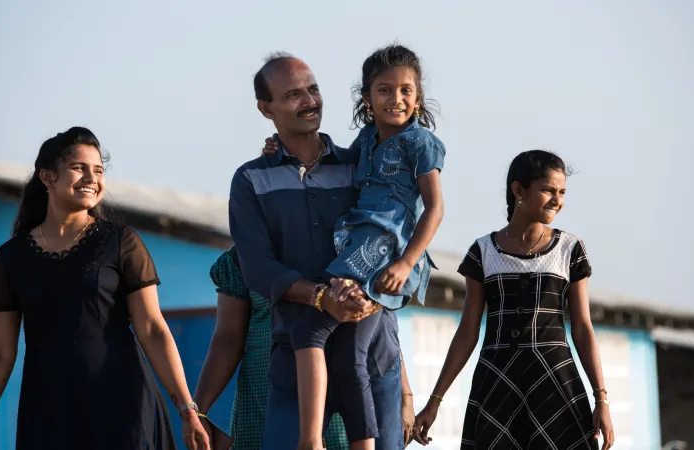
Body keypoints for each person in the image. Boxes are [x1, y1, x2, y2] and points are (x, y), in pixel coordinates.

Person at [0, 127, 209, 450]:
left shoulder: (121, 243)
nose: (92, 178)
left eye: (99, 170)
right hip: (48, 413)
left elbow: (152, 329)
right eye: (80, 168)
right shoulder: (12, 258)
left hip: (123, 406)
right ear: (47, 177)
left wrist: (188, 409)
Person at [264, 44, 445, 450]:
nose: (395, 100)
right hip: (355, 241)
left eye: (405, 91)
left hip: (380, 250)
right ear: (366, 98)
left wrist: (406, 263)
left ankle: (310, 441)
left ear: (417, 97)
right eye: (384, 90)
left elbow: (434, 208)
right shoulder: (366, 140)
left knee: (309, 330)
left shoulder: (421, 143)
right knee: (348, 355)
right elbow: (332, 160)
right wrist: (281, 149)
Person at [228, 53, 410, 450]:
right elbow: (257, 268)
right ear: (265, 108)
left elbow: (392, 238)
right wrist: (322, 298)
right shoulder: (251, 180)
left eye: (313, 89)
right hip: (297, 358)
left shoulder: (361, 167)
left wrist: (406, 389)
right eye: (293, 94)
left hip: (375, 359)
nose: (309, 101)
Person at [412, 150, 615, 450]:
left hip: (556, 384)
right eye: (548, 190)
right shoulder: (483, 252)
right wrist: (434, 402)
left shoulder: (569, 250)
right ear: (518, 190)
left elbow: (582, 328)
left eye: (562, 192)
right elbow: (468, 331)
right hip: (497, 384)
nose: (557, 200)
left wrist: (602, 400)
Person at [192, 246, 351, 450]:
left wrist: (403, 392)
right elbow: (227, 338)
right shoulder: (245, 255)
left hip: (335, 395)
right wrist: (199, 411)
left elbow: (374, 320)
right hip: (262, 398)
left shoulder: (341, 242)